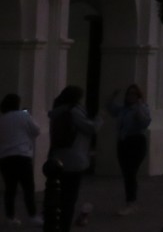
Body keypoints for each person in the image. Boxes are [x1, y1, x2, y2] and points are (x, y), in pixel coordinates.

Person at [43, 85, 97, 232]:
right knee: (69, 197)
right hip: (74, 158)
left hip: (57, 157)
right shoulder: (74, 111)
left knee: (58, 195)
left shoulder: (57, 111)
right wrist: (99, 119)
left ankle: (55, 224)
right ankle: (64, 226)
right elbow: (91, 128)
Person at [105, 85, 150, 216]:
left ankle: (131, 202)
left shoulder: (142, 108)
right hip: (123, 143)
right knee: (127, 173)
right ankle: (131, 201)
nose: (131, 96)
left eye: (134, 94)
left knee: (131, 172)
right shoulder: (123, 110)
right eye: (129, 94)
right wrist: (113, 95)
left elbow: (144, 122)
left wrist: (140, 105)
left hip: (136, 142)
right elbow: (110, 108)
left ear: (138, 96)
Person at [0, 93, 41, 228]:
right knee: (28, 187)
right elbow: (36, 130)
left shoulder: (2, 119)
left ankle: (10, 217)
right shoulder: (23, 116)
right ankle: (32, 215)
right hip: (22, 156)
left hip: (6, 157)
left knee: (10, 189)